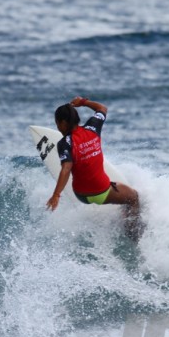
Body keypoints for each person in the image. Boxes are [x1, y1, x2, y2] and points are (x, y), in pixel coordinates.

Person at [45, 96, 143, 240]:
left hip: (81, 193)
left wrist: (56, 195)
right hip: (101, 191)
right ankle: (133, 235)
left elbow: (66, 168)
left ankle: (123, 219)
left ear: (63, 123)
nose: (58, 127)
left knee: (122, 195)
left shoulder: (65, 143)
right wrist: (84, 102)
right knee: (134, 198)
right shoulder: (93, 127)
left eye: (57, 124)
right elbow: (102, 108)